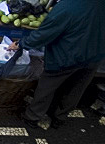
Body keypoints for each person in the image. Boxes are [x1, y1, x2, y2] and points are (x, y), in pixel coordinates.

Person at [9, 0, 105, 128]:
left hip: (67, 56)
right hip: (95, 55)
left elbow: (44, 34)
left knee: (47, 86)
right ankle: (60, 117)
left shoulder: (67, 7)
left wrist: (20, 44)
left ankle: (32, 116)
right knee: (76, 88)